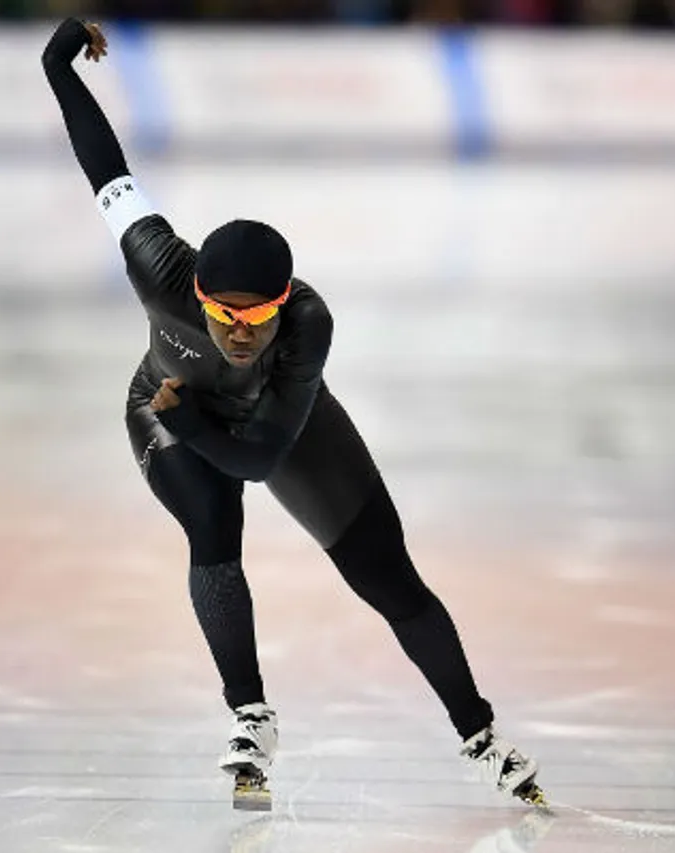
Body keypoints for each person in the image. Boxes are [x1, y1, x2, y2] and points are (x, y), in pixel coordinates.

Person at [41, 17, 543, 807]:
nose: (240, 331)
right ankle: (249, 712)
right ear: (195, 295)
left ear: (286, 303)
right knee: (212, 523)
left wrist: (202, 419)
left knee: (385, 573)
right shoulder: (157, 267)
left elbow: (260, 459)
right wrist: (59, 63)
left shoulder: (309, 325)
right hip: (163, 409)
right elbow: (106, 168)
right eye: (222, 314)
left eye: (258, 316)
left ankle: (478, 730)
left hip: (259, 423)